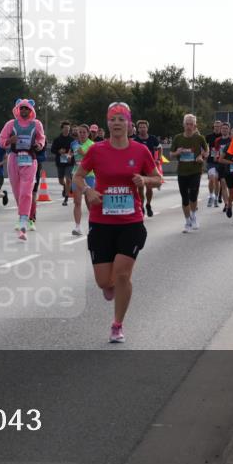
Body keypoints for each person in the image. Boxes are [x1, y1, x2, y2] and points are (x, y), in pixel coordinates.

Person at [73, 102, 160, 344]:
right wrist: (88, 191)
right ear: (107, 124)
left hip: (130, 222)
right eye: (113, 119)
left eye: (122, 119)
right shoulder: (97, 150)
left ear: (129, 123)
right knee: (104, 281)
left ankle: (117, 324)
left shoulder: (140, 151)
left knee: (122, 274)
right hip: (101, 222)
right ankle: (108, 284)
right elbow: (78, 176)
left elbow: (158, 178)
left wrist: (144, 178)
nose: (117, 123)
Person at [0, 99, 46, 241]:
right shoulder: (10, 124)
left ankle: (24, 220)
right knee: (18, 192)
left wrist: (39, 145)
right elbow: (1, 142)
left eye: (27, 108)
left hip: (30, 159)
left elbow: (42, 139)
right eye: (22, 108)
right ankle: (24, 216)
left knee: (26, 191)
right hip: (14, 159)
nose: (24, 111)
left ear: (31, 110)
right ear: (18, 110)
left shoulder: (36, 124)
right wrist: (9, 141)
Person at [170, 114, 209, 233]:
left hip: (195, 171)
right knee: (184, 198)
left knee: (193, 194)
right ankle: (187, 221)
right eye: (187, 123)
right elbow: (171, 154)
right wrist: (178, 152)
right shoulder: (178, 138)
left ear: (195, 125)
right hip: (182, 172)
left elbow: (207, 152)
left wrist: (201, 156)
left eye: (191, 124)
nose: (189, 126)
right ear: (183, 125)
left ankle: (193, 215)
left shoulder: (199, 138)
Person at [131, 119, 162, 217]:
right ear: (138, 129)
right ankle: (141, 206)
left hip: (150, 166)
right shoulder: (135, 140)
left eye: (144, 127)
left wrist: (158, 158)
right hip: (139, 167)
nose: (142, 129)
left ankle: (148, 204)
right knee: (140, 188)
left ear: (147, 128)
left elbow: (159, 147)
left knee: (149, 187)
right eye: (140, 127)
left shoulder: (152, 138)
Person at [71, 124, 95, 236]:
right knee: (77, 201)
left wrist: (84, 154)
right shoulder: (74, 144)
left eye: (84, 132)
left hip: (89, 175)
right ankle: (77, 227)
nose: (81, 134)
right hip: (76, 174)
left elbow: (93, 160)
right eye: (79, 132)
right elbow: (73, 156)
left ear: (88, 133)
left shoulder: (92, 145)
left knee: (89, 201)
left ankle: (93, 225)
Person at [50, 121, 77, 207]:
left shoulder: (72, 140)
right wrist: (59, 151)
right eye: (65, 128)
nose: (67, 130)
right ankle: (65, 187)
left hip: (69, 162)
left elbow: (76, 150)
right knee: (61, 181)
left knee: (68, 179)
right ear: (62, 129)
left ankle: (66, 198)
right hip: (60, 162)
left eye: (68, 129)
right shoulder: (57, 139)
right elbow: (52, 150)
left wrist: (70, 155)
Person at [205, 120, 222, 207]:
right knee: (212, 178)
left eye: (219, 126)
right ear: (213, 127)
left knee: (217, 180)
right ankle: (211, 196)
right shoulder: (208, 136)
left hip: (221, 161)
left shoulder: (224, 136)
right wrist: (204, 153)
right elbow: (203, 147)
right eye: (215, 126)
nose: (217, 128)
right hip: (211, 161)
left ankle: (216, 197)